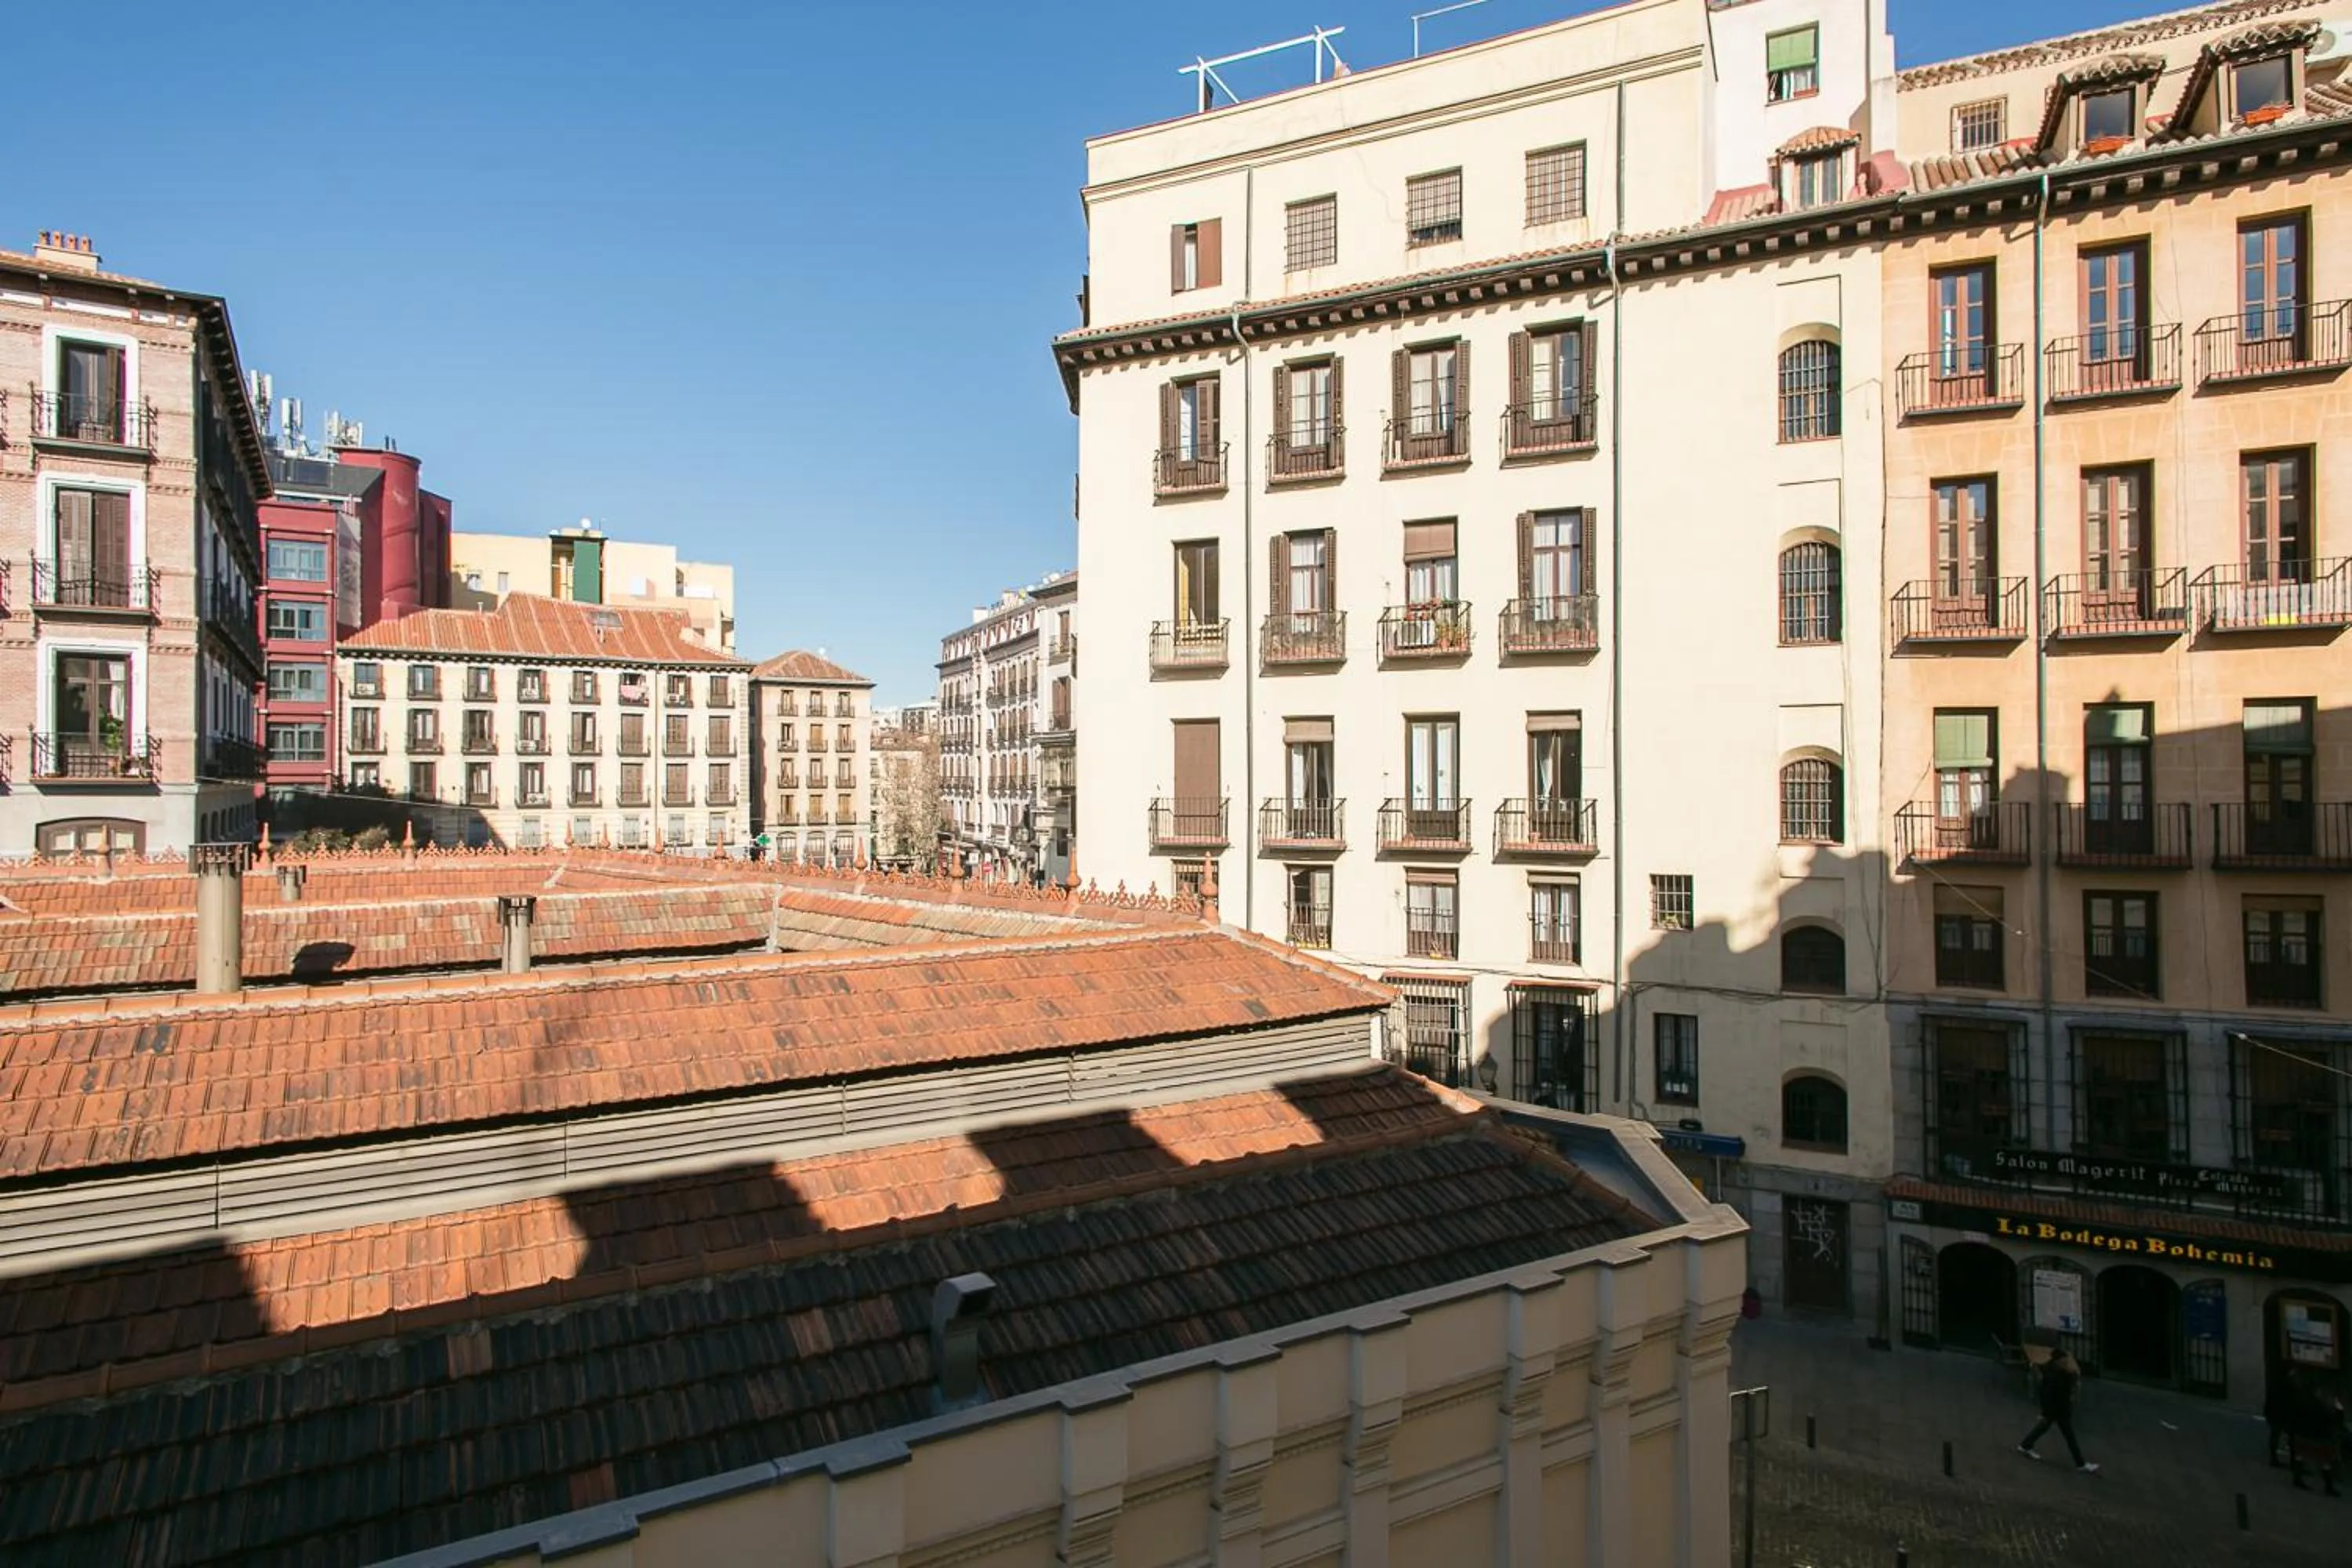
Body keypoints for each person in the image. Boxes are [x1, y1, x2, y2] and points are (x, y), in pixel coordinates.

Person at [2018, 1349, 2100, 1473]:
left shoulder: (2051, 1371)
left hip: (2055, 1409)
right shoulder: (2059, 1376)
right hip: (2059, 1409)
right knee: (2069, 1436)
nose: (2066, 1363)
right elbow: (2063, 1388)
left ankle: (2025, 1445)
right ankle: (2080, 1463)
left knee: (2046, 1429)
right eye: (2064, 1361)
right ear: (2058, 1361)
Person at [2287, 1373, 2344, 1497]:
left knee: (2300, 1455)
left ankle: (2297, 1478)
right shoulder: (2321, 1407)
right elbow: (2332, 1421)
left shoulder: (2303, 1401)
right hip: (2319, 1437)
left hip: (2303, 1434)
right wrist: (2339, 1410)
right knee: (2325, 1461)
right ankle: (2328, 1486)